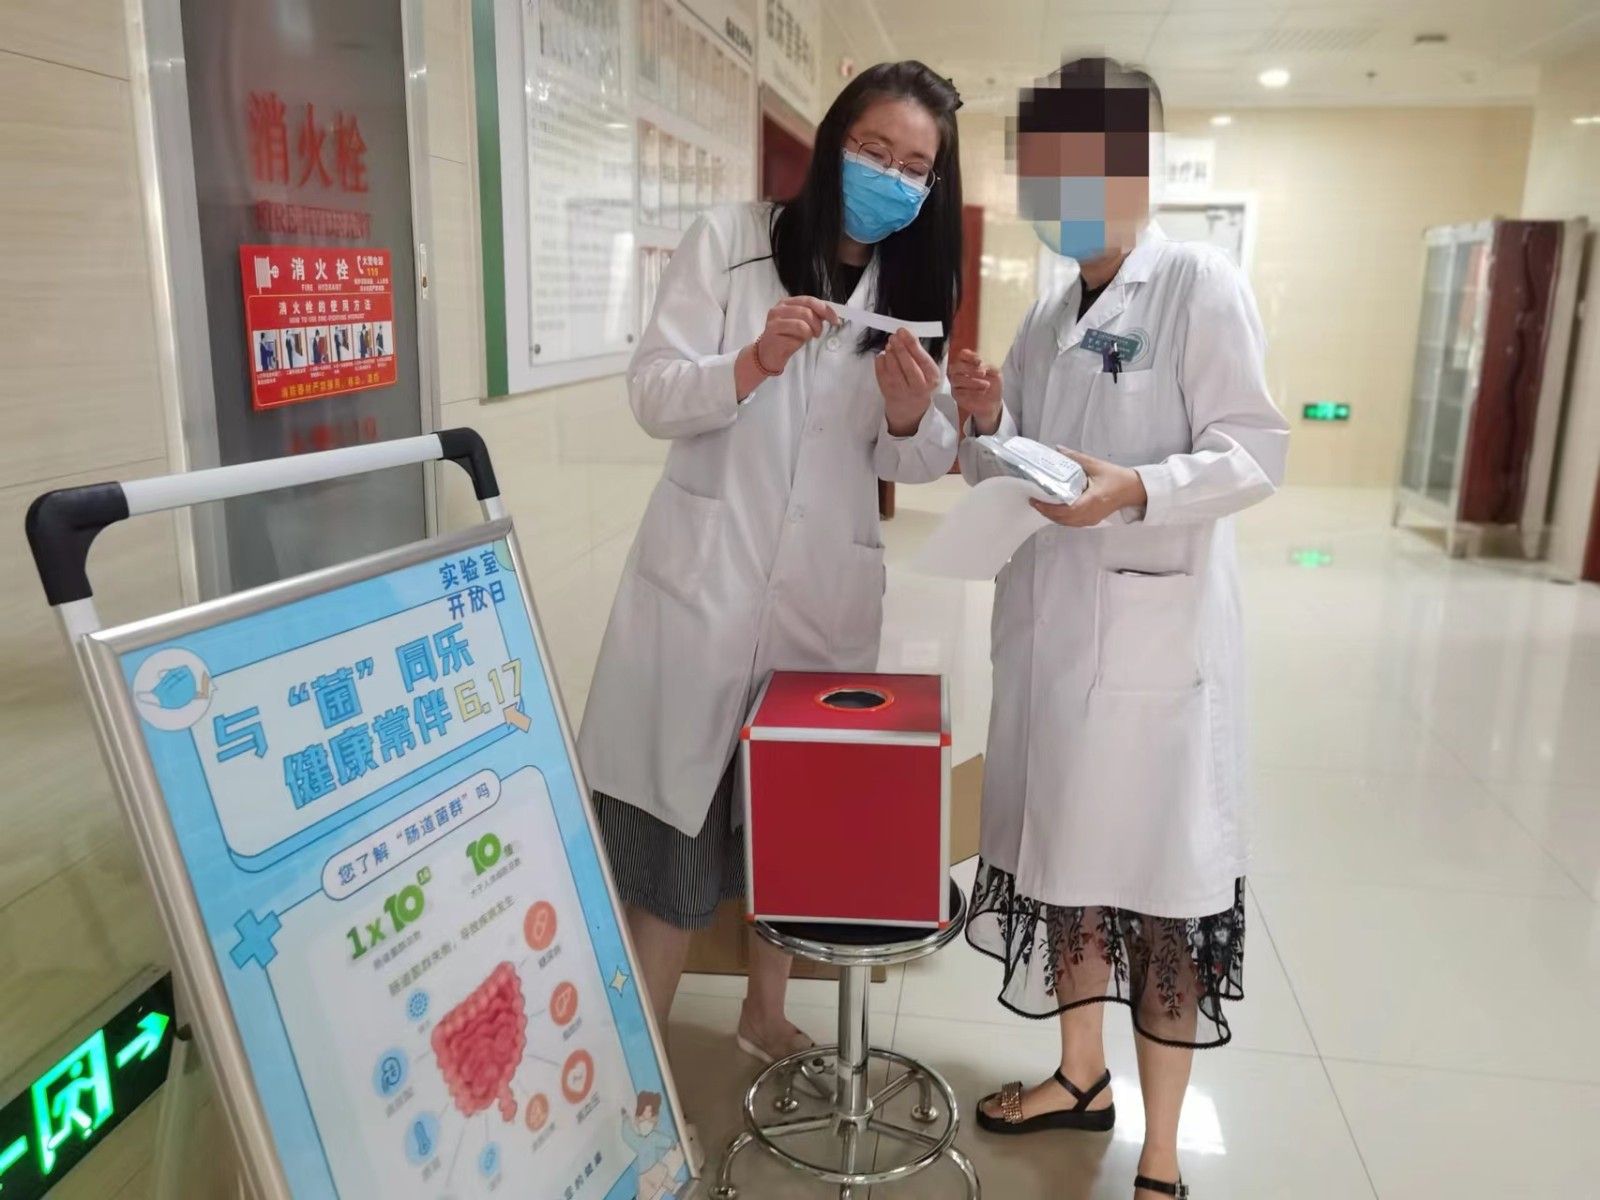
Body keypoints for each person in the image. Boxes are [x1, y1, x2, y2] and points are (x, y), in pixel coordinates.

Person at [579, 61, 965, 1067]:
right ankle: (637, 1081)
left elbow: (919, 458)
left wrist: (908, 415)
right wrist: (750, 363)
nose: (890, 177)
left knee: (789, 824)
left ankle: (764, 1014)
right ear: (834, 143)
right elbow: (654, 393)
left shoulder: (914, 287)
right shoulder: (729, 240)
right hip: (702, 589)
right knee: (672, 845)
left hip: (821, 596)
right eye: (874, 150)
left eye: (914, 166)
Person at [949, 57, 1289, 1199]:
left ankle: (1160, 1151)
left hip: (1153, 656)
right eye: (1049, 163)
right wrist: (989, 416)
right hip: (1051, 647)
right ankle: (1079, 1077)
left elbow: (1254, 453)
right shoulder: (1049, 312)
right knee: (1070, 873)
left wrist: (1138, 487)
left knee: (1160, 897)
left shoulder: (1198, 284)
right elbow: (1018, 462)